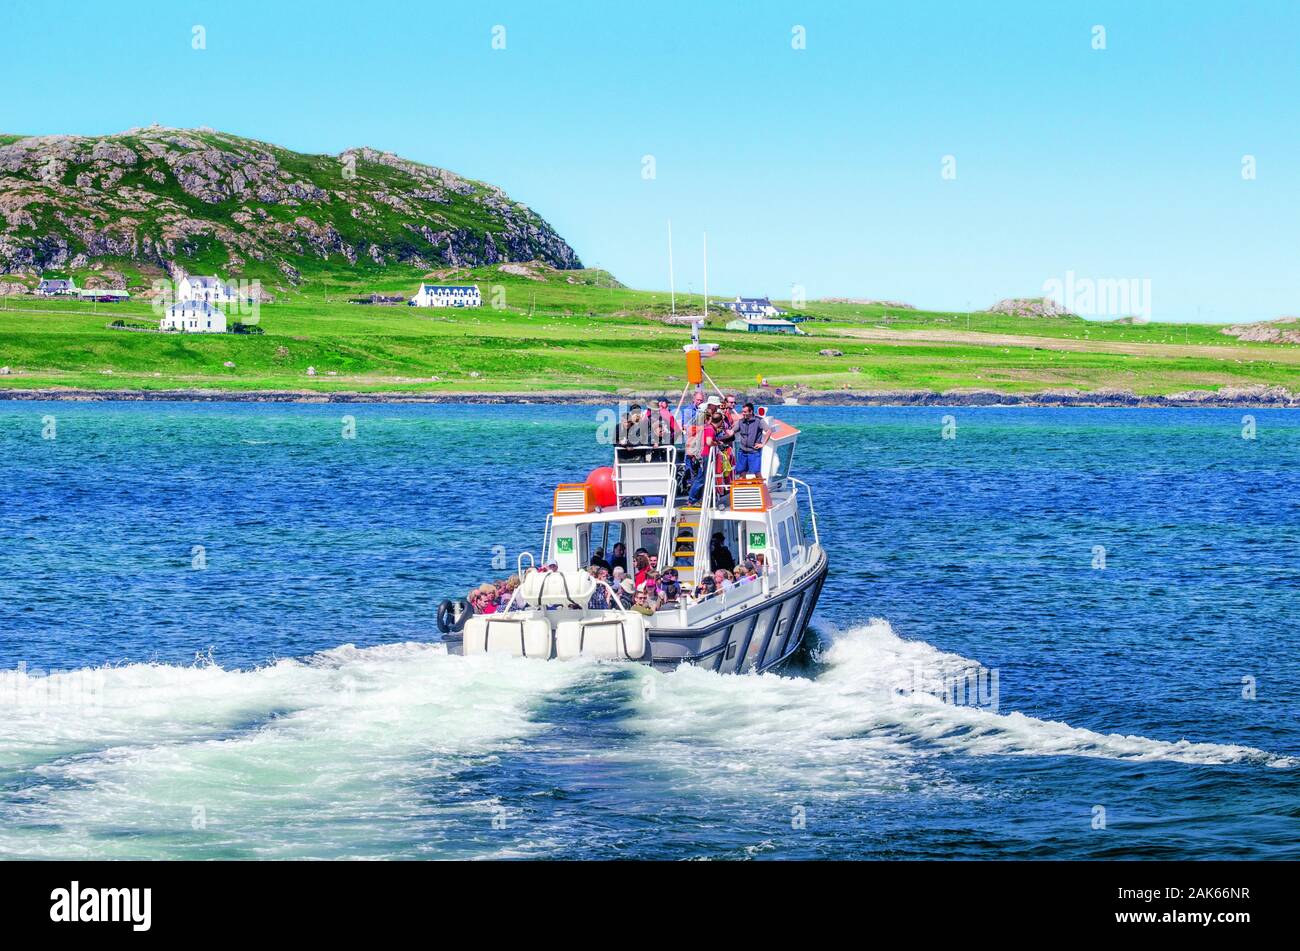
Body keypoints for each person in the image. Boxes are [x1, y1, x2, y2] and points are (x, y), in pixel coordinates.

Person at [731, 402, 769, 478]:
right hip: (742, 451)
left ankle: (761, 487)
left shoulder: (759, 421)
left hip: (754, 451)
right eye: (742, 411)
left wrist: (763, 444)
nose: (743, 413)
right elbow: (731, 432)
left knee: (756, 472)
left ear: (751, 411)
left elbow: (769, 431)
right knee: (741, 471)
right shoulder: (741, 421)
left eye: (745, 412)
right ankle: (742, 487)